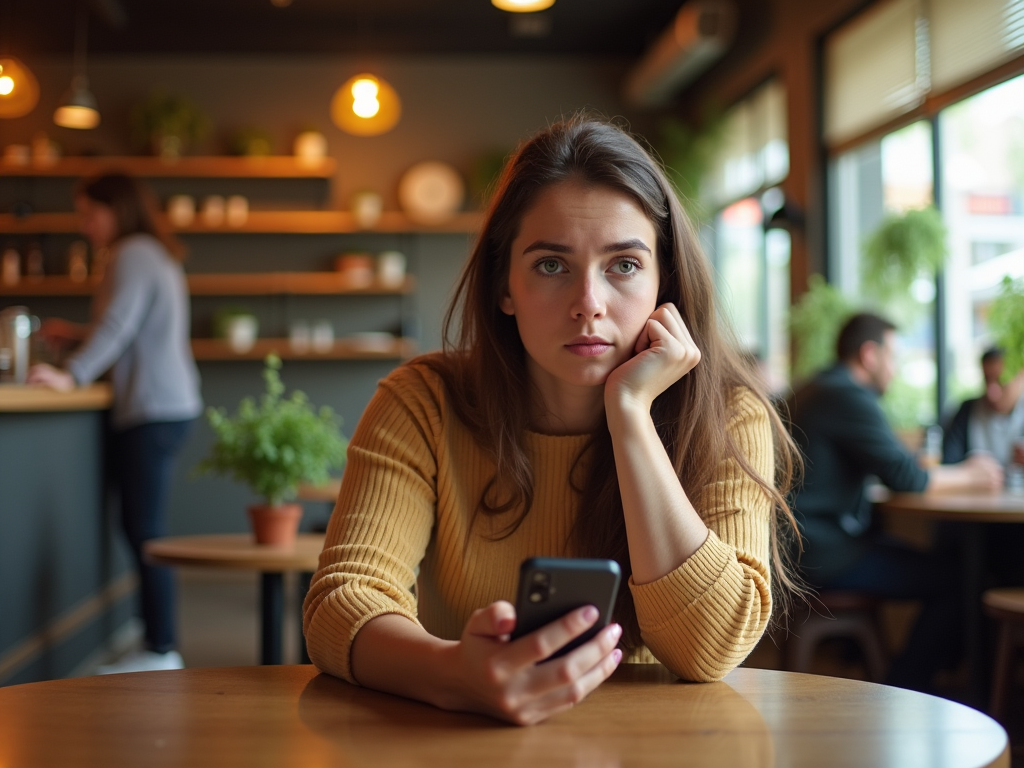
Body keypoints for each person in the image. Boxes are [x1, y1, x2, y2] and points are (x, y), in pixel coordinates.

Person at [303, 116, 803, 726]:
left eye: (623, 265)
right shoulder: (423, 401)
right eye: (550, 265)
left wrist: (630, 415)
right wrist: (454, 676)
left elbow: (710, 647)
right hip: (455, 741)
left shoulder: (726, 414)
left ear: (663, 282)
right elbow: (340, 605)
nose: (588, 302)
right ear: (503, 285)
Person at [28, 173, 203, 674]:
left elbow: (119, 324)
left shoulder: (133, 253)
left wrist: (73, 374)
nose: (85, 226)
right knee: (141, 527)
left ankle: (162, 649)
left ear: (117, 209)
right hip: (165, 406)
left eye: (90, 213)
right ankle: (156, 642)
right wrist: (77, 336)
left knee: (146, 530)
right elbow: (134, 327)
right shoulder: (150, 253)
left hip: (153, 408)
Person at [787, 312, 1003, 692]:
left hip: (800, 544)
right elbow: (906, 477)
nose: (895, 368)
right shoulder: (848, 396)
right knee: (959, 580)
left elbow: (892, 465)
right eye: (893, 356)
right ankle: (903, 690)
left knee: (934, 563)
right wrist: (971, 473)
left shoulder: (815, 388)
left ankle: (902, 681)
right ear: (869, 354)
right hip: (820, 553)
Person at [943, 346, 1024, 468]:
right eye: (987, 380)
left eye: (1001, 381)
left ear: (1021, 377)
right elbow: (948, 464)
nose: (992, 393)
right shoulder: (967, 411)